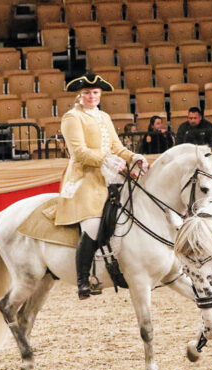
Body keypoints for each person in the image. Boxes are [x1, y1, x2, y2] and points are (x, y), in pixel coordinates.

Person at [54, 73, 149, 299]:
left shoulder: (104, 116)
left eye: (95, 92)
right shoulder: (72, 117)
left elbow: (116, 147)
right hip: (84, 178)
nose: (91, 96)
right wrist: (105, 160)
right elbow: (79, 152)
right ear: (80, 94)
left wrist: (134, 156)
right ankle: (83, 279)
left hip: (109, 175)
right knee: (94, 224)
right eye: (87, 93)